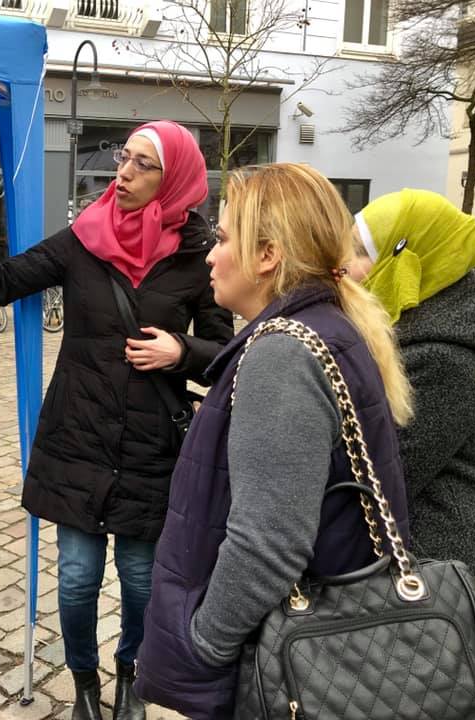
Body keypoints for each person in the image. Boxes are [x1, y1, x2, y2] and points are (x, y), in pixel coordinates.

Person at [0, 120, 233, 720]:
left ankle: (131, 677)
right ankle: (85, 687)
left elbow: (226, 352)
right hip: (79, 438)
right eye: (124, 158)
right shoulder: (83, 239)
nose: (122, 173)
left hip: (153, 446)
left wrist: (182, 352)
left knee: (142, 580)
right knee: (75, 579)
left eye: (142, 164)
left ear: (173, 177)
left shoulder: (201, 256)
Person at [133, 163, 413, 719]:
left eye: (225, 237)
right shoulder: (328, 326)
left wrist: (204, 644)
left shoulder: (283, 354)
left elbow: (269, 543)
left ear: (268, 255)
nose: (211, 255)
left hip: (283, 656)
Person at [350, 190, 475, 582]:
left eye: (358, 251)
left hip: (426, 578)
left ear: (407, 262)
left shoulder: (445, 360)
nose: (342, 265)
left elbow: (384, 478)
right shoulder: (401, 328)